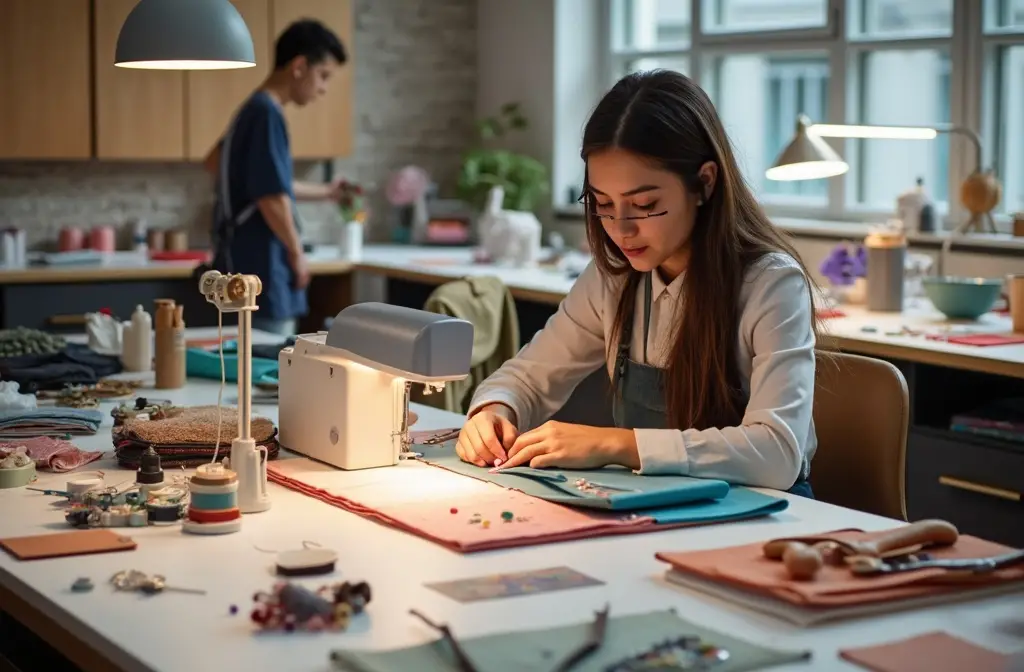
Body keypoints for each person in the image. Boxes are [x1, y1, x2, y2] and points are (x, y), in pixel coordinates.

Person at [454, 69, 822, 496]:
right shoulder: (614, 278)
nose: (620, 229)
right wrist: (495, 409)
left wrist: (616, 444)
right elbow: (528, 378)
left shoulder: (770, 284)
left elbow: (777, 454)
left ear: (704, 183)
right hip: (654, 507)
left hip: (766, 516)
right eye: (602, 204)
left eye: (644, 204)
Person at [203, 19, 349, 336]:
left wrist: (326, 192)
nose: (323, 89)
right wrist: (297, 255)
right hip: (262, 270)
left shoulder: (250, 111)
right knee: (268, 367)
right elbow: (271, 196)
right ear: (299, 66)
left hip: (243, 263)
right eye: (323, 76)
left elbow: (226, 166)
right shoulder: (267, 114)